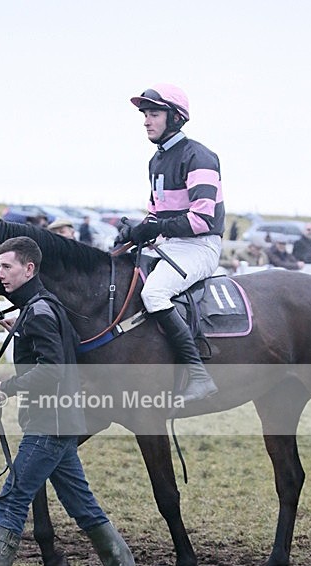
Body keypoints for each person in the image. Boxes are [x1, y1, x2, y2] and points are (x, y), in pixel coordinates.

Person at [0, 236, 148, 566]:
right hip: (59, 421)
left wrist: (7, 388)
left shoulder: (41, 312)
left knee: (13, 499)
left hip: (48, 424)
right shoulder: (42, 307)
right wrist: (19, 328)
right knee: (84, 508)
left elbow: (51, 370)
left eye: (7, 267)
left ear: (29, 269)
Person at [119, 83, 224, 403]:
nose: (147, 121)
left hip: (199, 246)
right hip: (170, 245)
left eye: (154, 114)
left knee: (154, 292)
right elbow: (155, 214)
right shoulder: (156, 161)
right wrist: (133, 232)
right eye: (145, 115)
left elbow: (202, 220)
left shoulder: (199, 156)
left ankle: (198, 375)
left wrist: (154, 229)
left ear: (176, 118)